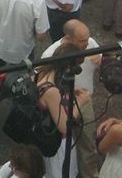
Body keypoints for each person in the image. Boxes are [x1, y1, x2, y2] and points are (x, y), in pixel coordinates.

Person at [40, 20, 100, 178]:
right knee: (63, 149)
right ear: (68, 38)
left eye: (87, 39)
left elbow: (100, 56)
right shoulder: (50, 55)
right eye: (82, 41)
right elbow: (63, 125)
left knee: (87, 142)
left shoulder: (90, 42)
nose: (87, 44)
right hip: (62, 105)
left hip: (83, 101)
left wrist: (100, 59)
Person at [34, 43, 92, 177]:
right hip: (55, 141)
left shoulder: (41, 70)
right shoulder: (51, 91)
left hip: (40, 133)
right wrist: (81, 102)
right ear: (68, 67)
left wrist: (69, 91)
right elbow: (65, 126)